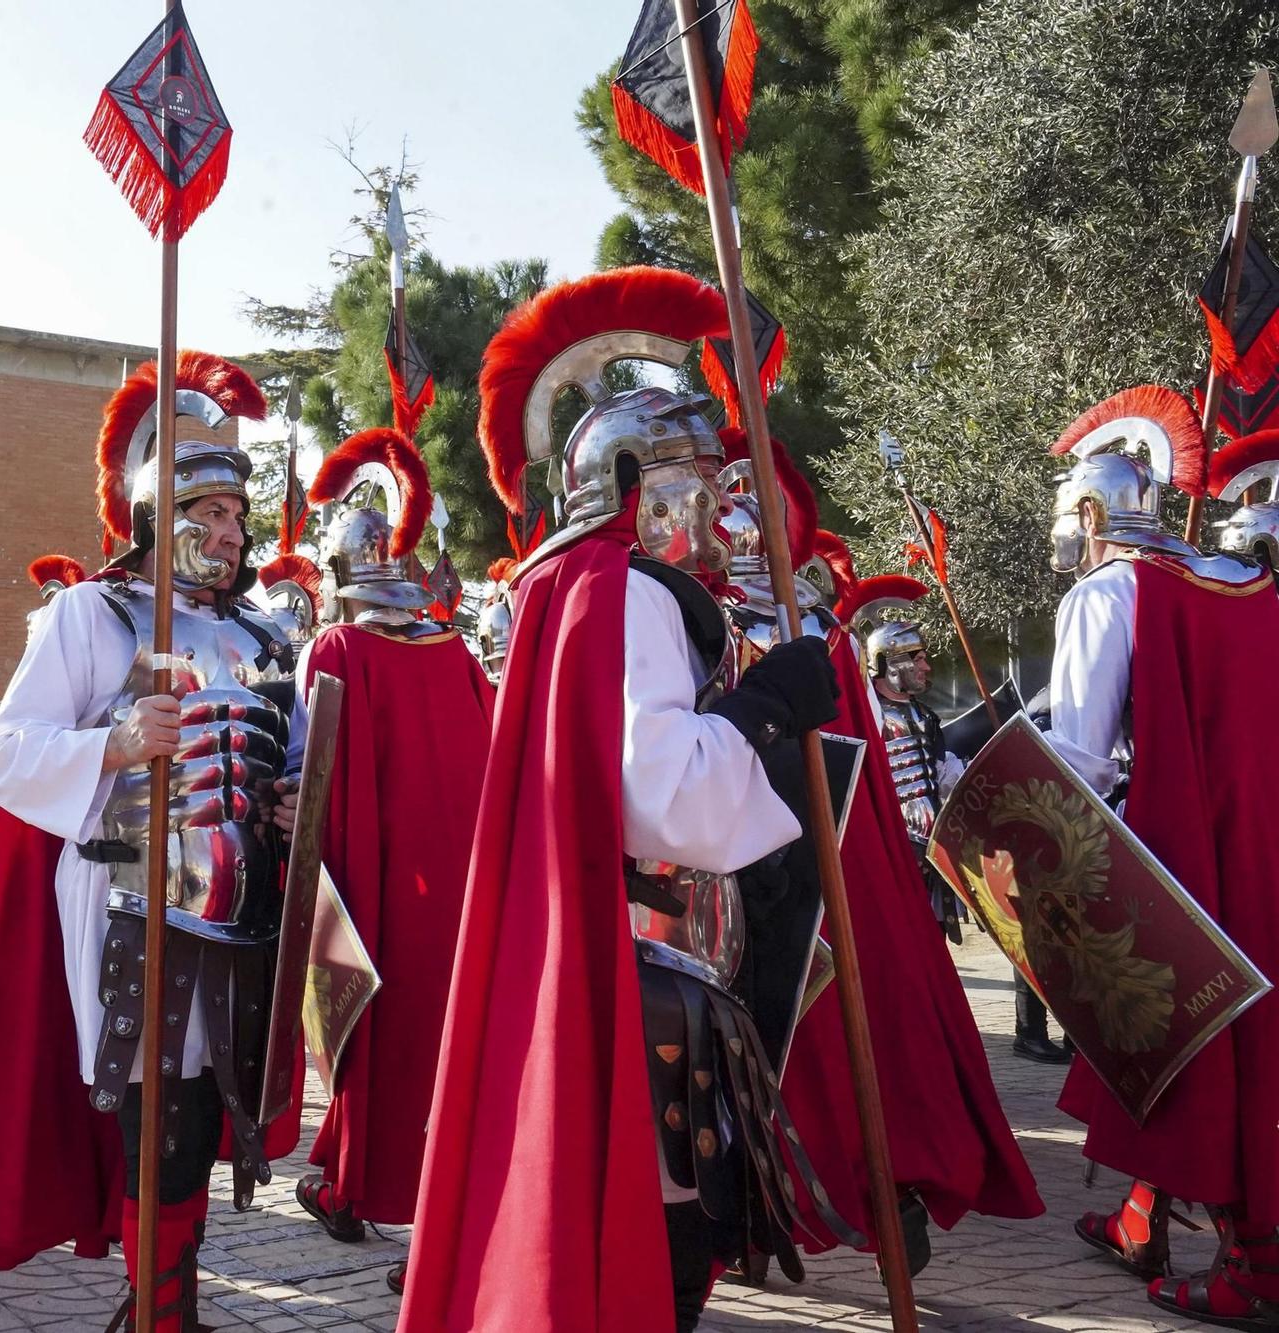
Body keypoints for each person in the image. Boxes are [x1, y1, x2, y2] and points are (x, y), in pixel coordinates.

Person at [398, 269, 840, 1332]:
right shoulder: (631, 591)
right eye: (711, 481)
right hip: (649, 972)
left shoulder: (579, 588)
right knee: (662, 1257)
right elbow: (663, 800)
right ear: (642, 487)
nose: (734, 509)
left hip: (635, 964)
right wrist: (765, 712)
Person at [0, 350, 290, 1331]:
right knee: (155, 1115)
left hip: (239, 906)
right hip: (122, 900)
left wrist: (287, 796)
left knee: (198, 1119)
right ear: (161, 516)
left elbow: (285, 760)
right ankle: (160, 1315)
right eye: (210, 515)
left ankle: (158, 1307)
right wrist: (111, 742)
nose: (230, 534)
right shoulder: (89, 615)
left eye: (238, 516)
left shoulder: (264, 638)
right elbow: (5, 756)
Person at [714, 450, 1043, 1278]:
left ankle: (798, 1200)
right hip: (787, 873)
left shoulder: (759, 630)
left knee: (781, 1044)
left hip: (783, 877)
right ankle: (789, 1202)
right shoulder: (806, 632)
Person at [1039, 391, 1279, 1326]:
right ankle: (1145, 1215)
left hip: (1186, 849)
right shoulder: (1250, 582)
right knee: (1187, 1052)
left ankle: (1255, 1269)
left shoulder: (1107, 593)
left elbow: (1080, 766)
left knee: (1177, 1038)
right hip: (1261, 834)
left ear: (1090, 518)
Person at [285, 426, 493, 1296]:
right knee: (447, 1042)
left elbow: (311, 778)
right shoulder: (459, 654)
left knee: (371, 1033)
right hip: (462, 891)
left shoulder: (335, 650)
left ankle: (364, 1188)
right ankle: (346, 1171)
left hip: (376, 886)